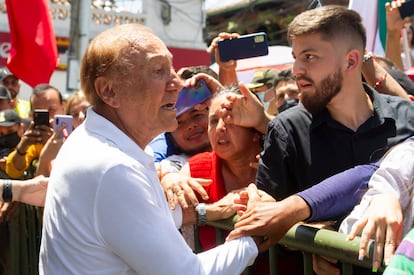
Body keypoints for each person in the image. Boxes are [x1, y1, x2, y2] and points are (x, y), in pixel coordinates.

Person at [39, 23, 258, 274]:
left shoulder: (92, 142)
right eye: (158, 71)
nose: (177, 83)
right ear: (109, 91)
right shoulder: (113, 168)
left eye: (172, 69)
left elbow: (127, 223)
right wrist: (256, 234)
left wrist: (205, 213)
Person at [222, 5, 414, 275]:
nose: (297, 69)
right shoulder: (286, 130)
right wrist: (313, 239)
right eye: (296, 57)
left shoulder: (407, 117)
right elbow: (271, 222)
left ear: (350, 61)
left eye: (310, 57)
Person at [5, 84, 65, 179]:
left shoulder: (75, 136)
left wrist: (52, 147)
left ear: (63, 107)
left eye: (51, 110)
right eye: (39, 113)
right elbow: (13, 171)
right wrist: (22, 146)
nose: (48, 117)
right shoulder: (33, 139)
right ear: (32, 113)